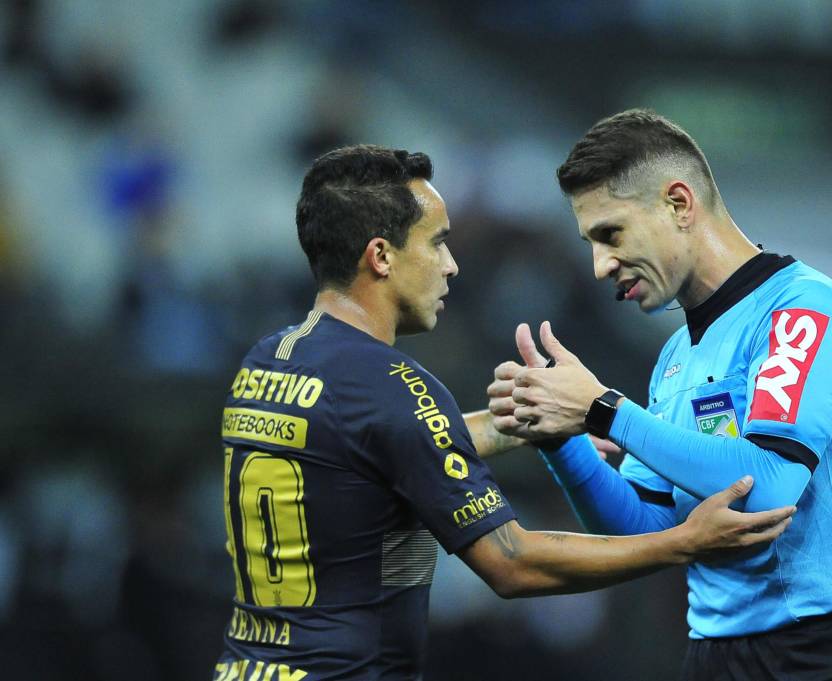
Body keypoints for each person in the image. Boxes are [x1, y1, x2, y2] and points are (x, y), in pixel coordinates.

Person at [213, 144, 796, 681]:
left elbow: (378, 447)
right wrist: (684, 542)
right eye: (436, 243)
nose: (450, 265)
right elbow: (512, 564)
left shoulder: (268, 362)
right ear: (381, 256)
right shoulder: (393, 386)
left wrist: (517, 424)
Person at [487, 110, 832, 680]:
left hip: (821, 653)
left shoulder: (802, 312)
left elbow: (770, 491)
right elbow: (643, 529)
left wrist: (603, 411)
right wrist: (563, 439)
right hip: (714, 654)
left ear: (679, 204)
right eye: (590, 243)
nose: (600, 265)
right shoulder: (675, 357)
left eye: (610, 234)